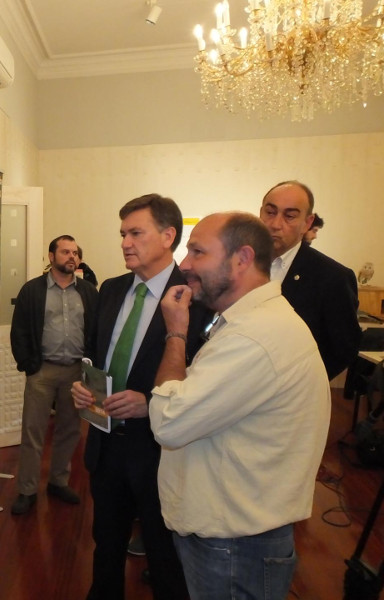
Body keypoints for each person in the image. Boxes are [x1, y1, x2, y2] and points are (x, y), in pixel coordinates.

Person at [150, 212, 330, 599]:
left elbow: (168, 422)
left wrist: (176, 333)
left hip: (234, 545)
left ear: (242, 258)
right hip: (233, 534)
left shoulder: (254, 336)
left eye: (198, 251)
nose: (184, 265)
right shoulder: (253, 322)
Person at [71, 194, 208, 600]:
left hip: (160, 451)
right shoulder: (112, 289)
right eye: (122, 234)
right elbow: (98, 352)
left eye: (136, 233)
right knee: (106, 543)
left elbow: (202, 377)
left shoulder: (193, 299)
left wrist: (149, 403)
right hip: (105, 442)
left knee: (165, 556)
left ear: (168, 236)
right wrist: (86, 385)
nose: (125, 243)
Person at [10, 234, 98, 515]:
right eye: (65, 252)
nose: (71, 257)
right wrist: (28, 365)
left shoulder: (87, 292)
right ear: (51, 257)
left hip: (76, 371)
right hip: (43, 371)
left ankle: (59, 482)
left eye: (75, 252)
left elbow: (96, 331)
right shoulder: (32, 291)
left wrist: (90, 368)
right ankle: (27, 489)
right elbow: (19, 331)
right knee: (33, 431)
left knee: (69, 430)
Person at [260, 181, 360, 380]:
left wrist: (301, 385)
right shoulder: (238, 262)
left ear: (307, 222)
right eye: (270, 212)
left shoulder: (332, 277)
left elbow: (344, 347)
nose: (275, 224)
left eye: (289, 216)